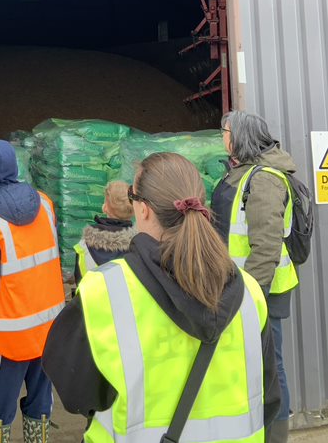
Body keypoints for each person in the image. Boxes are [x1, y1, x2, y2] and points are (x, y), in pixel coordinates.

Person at [43, 152, 280, 443]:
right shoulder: (249, 293)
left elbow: (77, 395)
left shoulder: (105, 291)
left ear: (143, 209)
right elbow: (269, 399)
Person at [211, 110, 298, 443]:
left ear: (240, 136)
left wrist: (251, 297)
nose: (223, 136)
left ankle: (276, 437)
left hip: (261, 292)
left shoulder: (264, 180)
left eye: (226, 131)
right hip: (239, 287)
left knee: (270, 368)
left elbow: (266, 247)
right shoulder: (243, 174)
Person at [0, 139, 65, 443]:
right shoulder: (45, 203)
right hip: (48, 328)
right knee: (41, 402)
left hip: (10, 335)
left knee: (1, 405)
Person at [73, 179, 134, 285]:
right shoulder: (141, 245)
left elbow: (79, 280)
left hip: (93, 300)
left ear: (105, 207)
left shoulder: (85, 245)